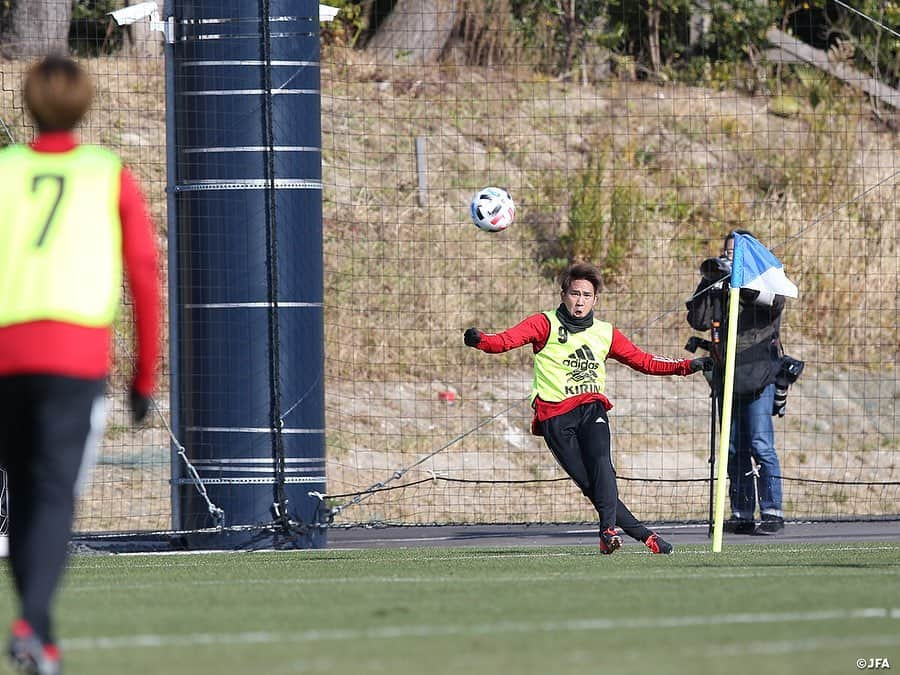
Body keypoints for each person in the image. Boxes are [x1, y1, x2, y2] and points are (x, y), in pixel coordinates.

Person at [0, 55, 160, 674]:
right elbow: (144, 274)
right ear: (86, 104)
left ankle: (40, 636)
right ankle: (29, 620)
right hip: (72, 357)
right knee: (53, 497)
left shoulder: (6, 170)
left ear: (28, 103)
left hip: (7, 355)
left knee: (21, 487)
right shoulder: (106, 173)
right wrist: (144, 375)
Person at [464, 262, 712, 555]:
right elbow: (504, 341)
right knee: (591, 485)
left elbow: (644, 361)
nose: (579, 301)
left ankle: (607, 532)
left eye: (586, 295)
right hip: (555, 417)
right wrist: (480, 341)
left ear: (595, 300)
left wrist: (687, 366)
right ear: (563, 294)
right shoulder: (544, 324)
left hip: (590, 408)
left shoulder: (605, 333)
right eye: (574, 293)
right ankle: (645, 536)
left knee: (601, 463)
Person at [685, 230, 786, 536]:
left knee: (759, 443)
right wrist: (710, 280)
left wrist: (740, 285)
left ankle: (772, 511)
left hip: (759, 375)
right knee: (732, 448)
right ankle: (741, 511)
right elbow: (698, 320)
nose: (730, 256)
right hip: (725, 376)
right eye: (727, 252)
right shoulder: (720, 285)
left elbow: (775, 303)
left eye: (736, 252)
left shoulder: (766, 281)